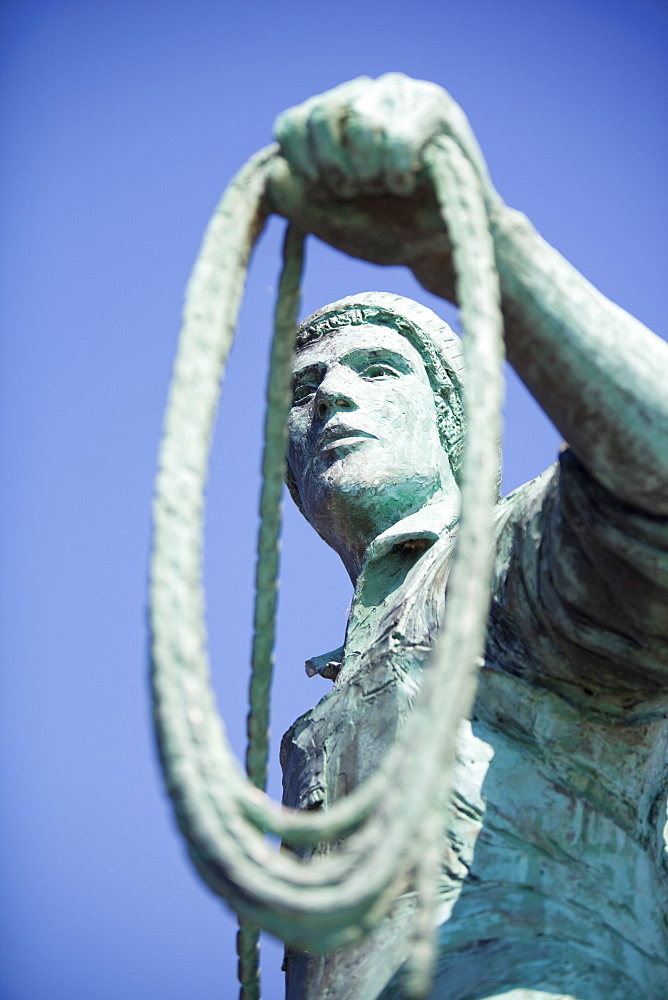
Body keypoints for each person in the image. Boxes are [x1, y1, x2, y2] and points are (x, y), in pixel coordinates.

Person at [272, 76, 668, 1000]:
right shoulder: (318, 707)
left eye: (379, 370)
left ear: (454, 426)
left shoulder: (514, 562)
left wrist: (472, 244)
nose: (331, 395)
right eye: (305, 388)